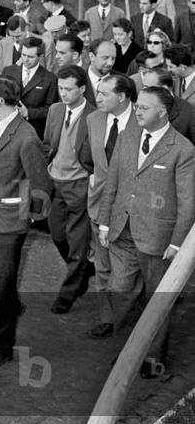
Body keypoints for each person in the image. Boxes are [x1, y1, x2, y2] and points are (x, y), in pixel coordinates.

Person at [98, 85, 195, 376]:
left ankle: (152, 358)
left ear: (162, 112)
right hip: (122, 230)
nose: (137, 111)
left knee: (156, 300)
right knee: (121, 291)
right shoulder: (127, 137)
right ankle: (131, 350)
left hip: (158, 238)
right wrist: (105, 221)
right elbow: (112, 182)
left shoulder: (182, 149)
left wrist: (177, 243)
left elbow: (188, 201)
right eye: (137, 106)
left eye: (144, 107)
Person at [0, 76, 52, 367]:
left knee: (4, 283)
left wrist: (30, 216)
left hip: (10, 220)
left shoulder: (26, 137)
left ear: (0, 101)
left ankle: (1, 345)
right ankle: (10, 309)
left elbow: (40, 181)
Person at [85, 73, 138, 339]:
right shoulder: (93, 119)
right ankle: (108, 318)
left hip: (132, 210)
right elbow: (88, 157)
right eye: (98, 92)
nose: (98, 97)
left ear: (123, 96)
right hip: (99, 204)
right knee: (102, 266)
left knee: (129, 271)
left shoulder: (144, 122)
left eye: (105, 93)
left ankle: (134, 319)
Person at [44, 66, 95, 315]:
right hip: (55, 182)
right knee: (57, 235)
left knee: (77, 244)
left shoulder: (95, 116)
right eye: (60, 88)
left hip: (80, 185)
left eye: (68, 89)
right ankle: (83, 270)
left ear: (82, 89)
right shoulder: (55, 110)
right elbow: (47, 144)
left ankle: (68, 293)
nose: (63, 93)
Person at [1, 36, 58, 140]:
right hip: (6, 128)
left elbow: (51, 109)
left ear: (40, 56)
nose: (26, 60)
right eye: (23, 55)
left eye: (31, 57)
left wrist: (28, 113)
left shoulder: (50, 79)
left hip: (33, 132)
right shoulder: (8, 71)